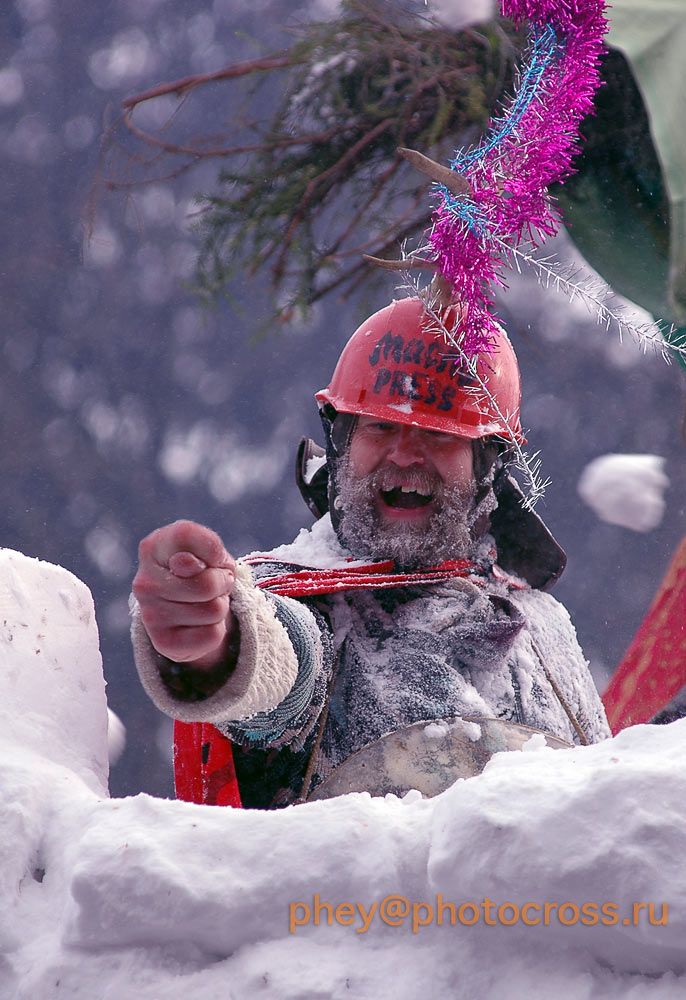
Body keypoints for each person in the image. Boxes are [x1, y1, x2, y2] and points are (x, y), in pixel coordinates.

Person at [131, 297, 611, 808]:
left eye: (437, 433)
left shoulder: (545, 624)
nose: (404, 454)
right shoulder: (313, 608)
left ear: (488, 464)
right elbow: (276, 658)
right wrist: (216, 637)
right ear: (341, 441)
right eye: (380, 426)